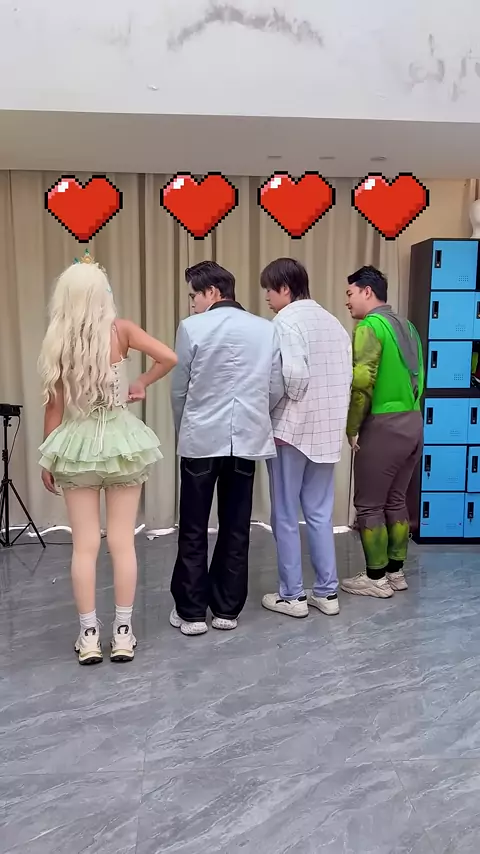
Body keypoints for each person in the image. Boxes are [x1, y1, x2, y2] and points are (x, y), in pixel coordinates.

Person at [38, 251, 177, 665]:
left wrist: (48, 458)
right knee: (122, 542)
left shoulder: (58, 341)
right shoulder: (122, 330)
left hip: (77, 446)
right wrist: (141, 381)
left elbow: (53, 408)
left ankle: (88, 636)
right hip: (122, 443)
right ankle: (123, 633)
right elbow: (169, 357)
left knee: (84, 546)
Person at [170, 260, 309, 636]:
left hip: (201, 439)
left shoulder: (191, 327)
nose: (193, 303)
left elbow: (180, 389)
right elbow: (276, 385)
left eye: (194, 296)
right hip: (247, 439)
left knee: (194, 527)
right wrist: (255, 414)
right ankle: (226, 610)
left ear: (212, 292)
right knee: (235, 526)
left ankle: (191, 612)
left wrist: (183, 429)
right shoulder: (265, 329)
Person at [260, 258, 352, 619]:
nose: (267, 297)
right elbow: (347, 377)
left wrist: (265, 410)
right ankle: (327, 593)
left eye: (269, 289)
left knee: (284, 513)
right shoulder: (334, 323)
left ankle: (293, 596)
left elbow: (292, 377)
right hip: (327, 432)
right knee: (319, 513)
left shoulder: (285, 322)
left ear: (285, 288)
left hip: (291, 431)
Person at [342, 265, 424, 598]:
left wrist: (353, 427)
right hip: (413, 422)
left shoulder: (369, 327)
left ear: (367, 291)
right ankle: (396, 573)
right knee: (396, 500)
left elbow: (362, 383)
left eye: (350, 293)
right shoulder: (408, 327)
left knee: (369, 505)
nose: (347, 301)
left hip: (384, 425)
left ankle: (375, 578)